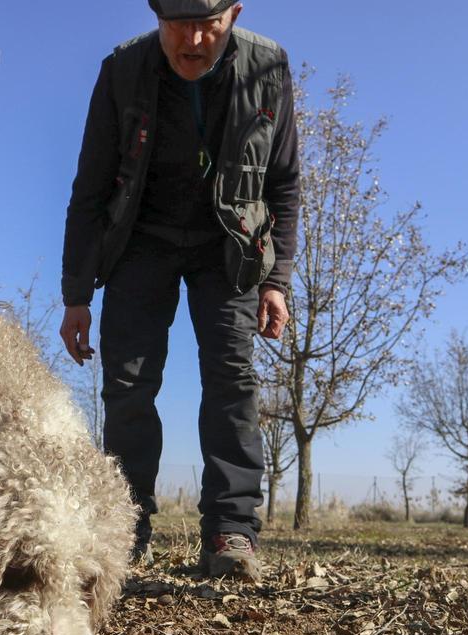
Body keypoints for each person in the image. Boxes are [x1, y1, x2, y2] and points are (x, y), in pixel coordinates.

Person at [58, 0, 299, 580]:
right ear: (156, 16)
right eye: (176, 25)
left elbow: (283, 180)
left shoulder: (268, 66)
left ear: (233, 14)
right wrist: (76, 294)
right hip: (140, 240)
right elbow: (90, 185)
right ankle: (124, 528)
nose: (191, 41)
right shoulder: (122, 69)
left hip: (230, 245)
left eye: (207, 25)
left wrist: (276, 281)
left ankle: (231, 531)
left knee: (231, 377)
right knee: (127, 383)